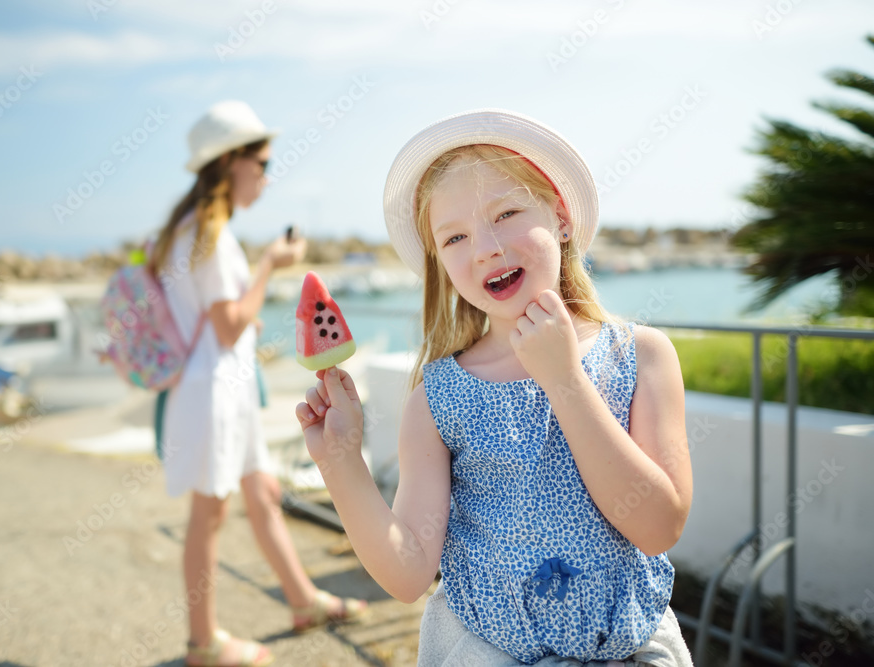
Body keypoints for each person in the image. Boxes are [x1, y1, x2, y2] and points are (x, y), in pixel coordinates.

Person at [295, 109, 694, 666]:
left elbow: (658, 527)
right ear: (441, 261)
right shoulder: (438, 398)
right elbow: (409, 572)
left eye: (505, 213)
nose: (484, 247)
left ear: (559, 214)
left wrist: (564, 380)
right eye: (454, 236)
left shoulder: (641, 357)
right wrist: (340, 462)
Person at [152, 100, 368, 667]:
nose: (268, 177)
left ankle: (304, 601)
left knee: (263, 492)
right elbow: (228, 325)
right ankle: (204, 644)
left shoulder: (188, 231)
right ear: (231, 163)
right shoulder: (211, 237)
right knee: (210, 514)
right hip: (213, 390)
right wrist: (271, 262)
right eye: (263, 163)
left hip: (223, 389)